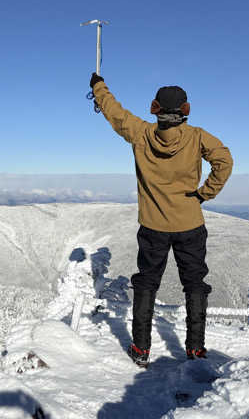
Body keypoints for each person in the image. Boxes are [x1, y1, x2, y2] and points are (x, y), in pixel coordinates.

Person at [89, 73, 233, 366]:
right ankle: (195, 349)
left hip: (153, 226)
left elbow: (115, 113)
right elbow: (224, 161)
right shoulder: (197, 137)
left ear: (154, 108)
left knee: (147, 284)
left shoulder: (141, 133)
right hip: (190, 224)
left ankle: (141, 349)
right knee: (194, 284)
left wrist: (98, 87)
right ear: (186, 110)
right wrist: (205, 194)